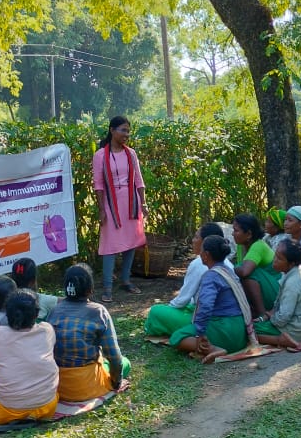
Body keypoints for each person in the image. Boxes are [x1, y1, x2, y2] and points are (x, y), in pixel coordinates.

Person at [0, 290, 59, 425]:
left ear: (7, 313)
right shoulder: (47, 330)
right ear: (36, 314)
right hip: (46, 408)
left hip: (5, 412)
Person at [47, 263, 130, 401]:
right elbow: (115, 357)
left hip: (59, 386)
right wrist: (116, 383)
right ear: (90, 289)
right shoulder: (99, 311)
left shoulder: (54, 311)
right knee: (125, 363)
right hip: (87, 386)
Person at [170, 235, 255, 363]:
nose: (200, 253)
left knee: (177, 337)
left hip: (224, 331)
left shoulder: (211, 276)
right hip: (240, 334)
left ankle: (214, 349)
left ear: (206, 255)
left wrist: (200, 333)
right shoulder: (229, 271)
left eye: (201, 250)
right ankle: (215, 345)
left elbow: (205, 305)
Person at [92, 115, 148, 302]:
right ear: (112, 130)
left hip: (131, 202)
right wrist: (101, 209)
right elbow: (98, 185)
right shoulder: (100, 155)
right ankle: (107, 286)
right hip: (111, 203)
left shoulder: (131, 153)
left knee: (131, 241)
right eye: (123, 130)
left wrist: (143, 203)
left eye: (128, 131)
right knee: (110, 244)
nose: (126, 134)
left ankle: (125, 280)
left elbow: (139, 180)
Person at [144, 222, 227, 337]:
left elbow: (182, 300)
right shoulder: (227, 263)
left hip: (210, 323)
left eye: (196, 237)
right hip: (228, 320)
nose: (193, 240)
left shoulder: (199, 263)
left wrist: (169, 309)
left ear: (206, 242)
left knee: (156, 311)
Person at [253, 239, 301, 350]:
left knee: (250, 332)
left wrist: (271, 319)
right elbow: (280, 305)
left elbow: (282, 318)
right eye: (275, 255)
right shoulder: (297, 270)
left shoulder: (293, 282)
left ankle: (283, 340)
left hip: (297, 329)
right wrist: (266, 316)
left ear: (291, 263)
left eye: (279, 258)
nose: (274, 260)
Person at [231, 213, 281, 318]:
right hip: (265, 289)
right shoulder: (241, 246)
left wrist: (228, 268)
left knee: (250, 273)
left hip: (276, 293)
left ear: (249, 234)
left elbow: (244, 272)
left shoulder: (258, 246)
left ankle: (261, 314)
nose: (232, 234)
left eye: (236, 231)